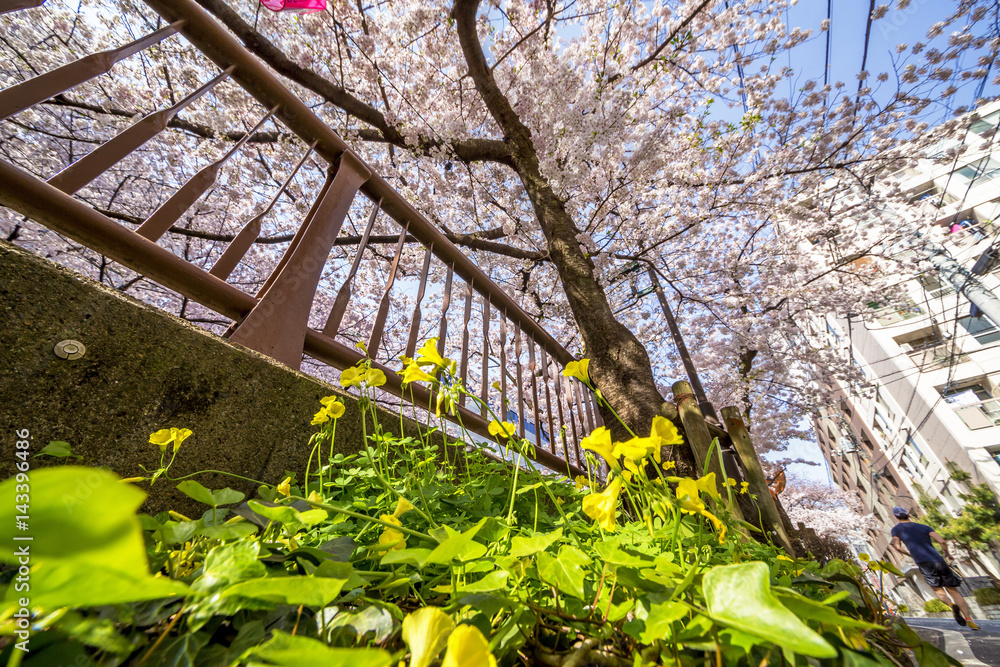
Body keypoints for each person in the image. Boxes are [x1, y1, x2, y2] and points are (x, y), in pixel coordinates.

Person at [889, 506, 980, 630]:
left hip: (923, 562)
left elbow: (897, 547)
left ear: (896, 517)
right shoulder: (925, 527)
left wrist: (911, 554)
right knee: (953, 591)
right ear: (908, 514)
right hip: (938, 560)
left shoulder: (896, 530)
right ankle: (969, 620)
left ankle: (951, 605)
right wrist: (947, 554)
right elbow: (942, 541)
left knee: (938, 591)